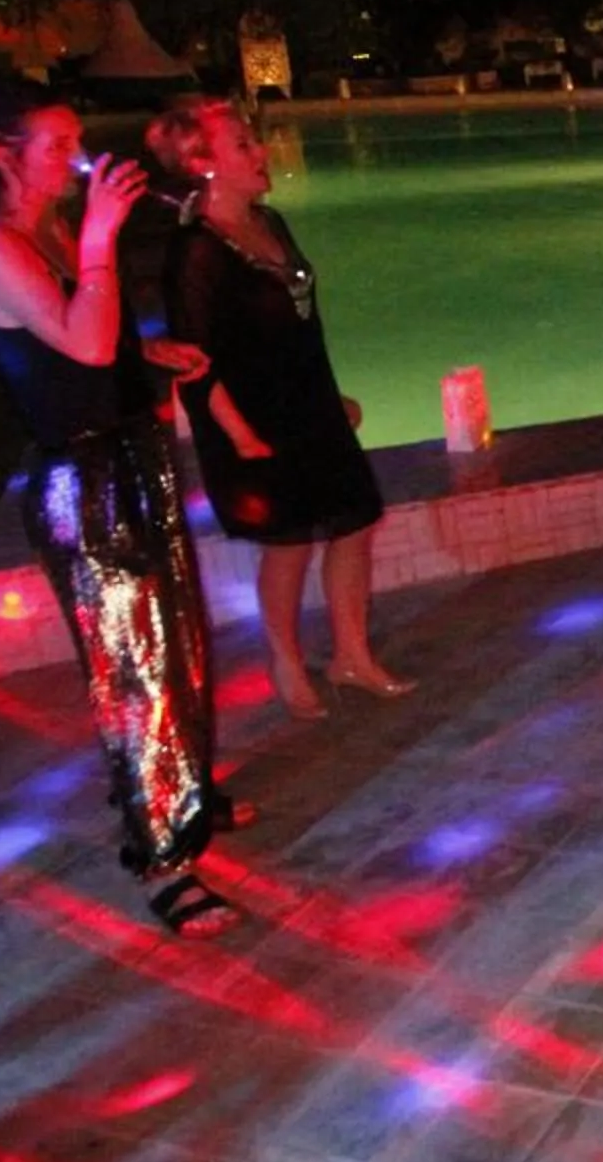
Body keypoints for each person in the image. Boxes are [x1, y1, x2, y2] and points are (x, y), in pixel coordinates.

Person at [0, 82, 241, 938]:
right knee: (133, 669)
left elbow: (88, 336)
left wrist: (143, 350)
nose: (78, 159)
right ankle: (162, 861)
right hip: (81, 482)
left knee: (177, 641)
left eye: (76, 140)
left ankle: (183, 795)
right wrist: (101, 238)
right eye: (55, 145)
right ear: (0, 154)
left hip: (130, 454)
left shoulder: (49, 229)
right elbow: (76, 339)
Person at [148, 99, 409, 718]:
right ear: (203, 163)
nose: (261, 153)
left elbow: (300, 324)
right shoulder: (195, 253)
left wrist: (330, 396)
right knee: (288, 543)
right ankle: (287, 664)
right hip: (250, 424)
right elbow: (194, 361)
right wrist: (242, 438)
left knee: (354, 522)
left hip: (308, 404)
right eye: (243, 144)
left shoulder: (271, 222)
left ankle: (352, 655)